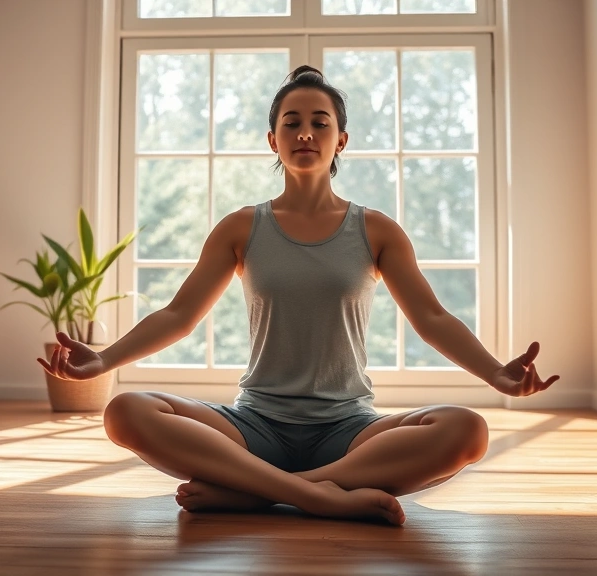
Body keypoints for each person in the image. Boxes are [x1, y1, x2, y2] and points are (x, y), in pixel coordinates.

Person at [39, 65, 558, 526]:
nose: (305, 132)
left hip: (349, 430)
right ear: (273, 140)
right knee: (126, 410)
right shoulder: (242, 227)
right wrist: (104, 360)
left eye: (320, 122)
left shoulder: (376, 231)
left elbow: (432, 318)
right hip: (253, 426)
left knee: (467, 429)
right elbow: (179, 315)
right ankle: (320, 497)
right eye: (291, 122)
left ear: (342, 140)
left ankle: (263, 495)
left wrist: (495, 373)